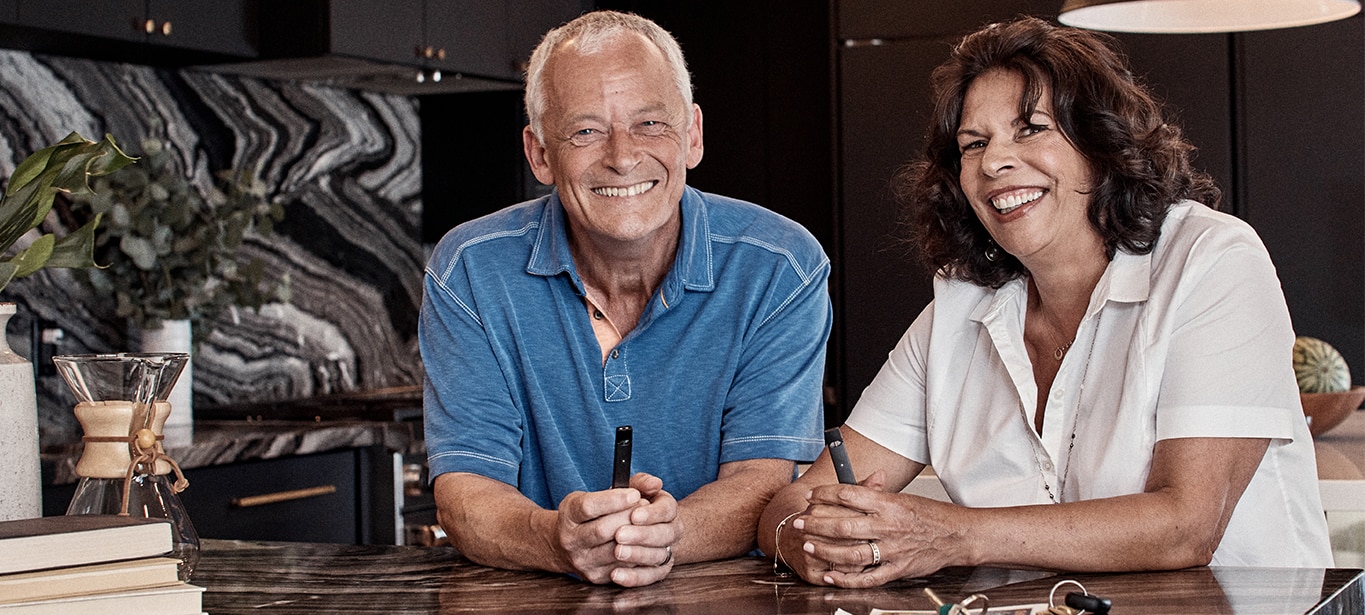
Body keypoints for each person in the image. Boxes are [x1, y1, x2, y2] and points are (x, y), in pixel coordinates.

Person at [758, 16, 1333, 588]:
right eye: (973, 144)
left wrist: (956, 534)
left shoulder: (1213, 260)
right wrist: (800, 540)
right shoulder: (956, 309)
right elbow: (795, 500)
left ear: (1100, 143)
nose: (994, 162)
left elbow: (1186, 524)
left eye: (1030, 128)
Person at [420, 11, 831, 588]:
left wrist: (665, 535)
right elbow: (464, 495)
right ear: (540, 155)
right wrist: (557, 541)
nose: (622, 155)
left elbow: (762, 482)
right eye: (585, 131)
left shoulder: (780, 266)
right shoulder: (468, 270)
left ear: (692, 135)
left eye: (650, 124)